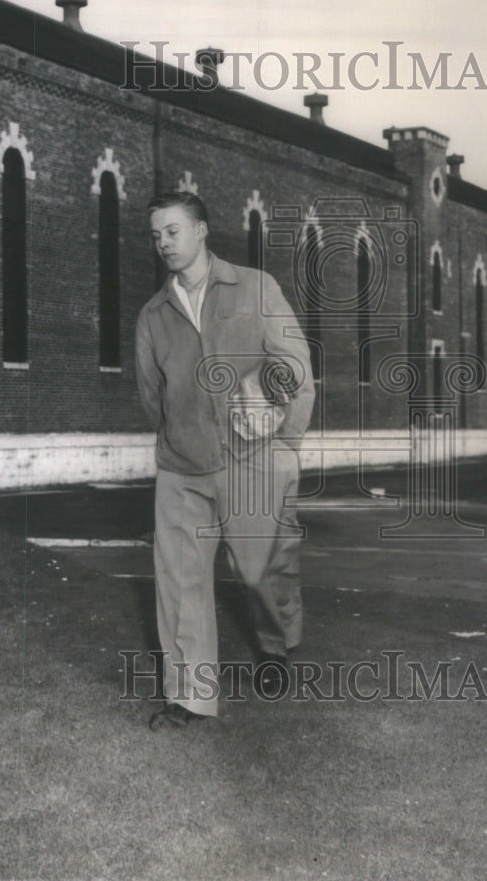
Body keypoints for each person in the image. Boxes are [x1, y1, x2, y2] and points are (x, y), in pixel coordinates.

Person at [135, 191, 315, 729]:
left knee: (260, 572)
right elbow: (152, 396)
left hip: (254, 459)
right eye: (156, 234)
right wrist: (180, 439)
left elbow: (296, 366)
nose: (163, 242)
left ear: (201, 231)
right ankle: (191, 695)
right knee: (181, 581)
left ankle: (276, 645)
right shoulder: (153, 315)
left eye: (172, 231)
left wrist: (285, 442)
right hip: (182, 465)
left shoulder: (256, 288)